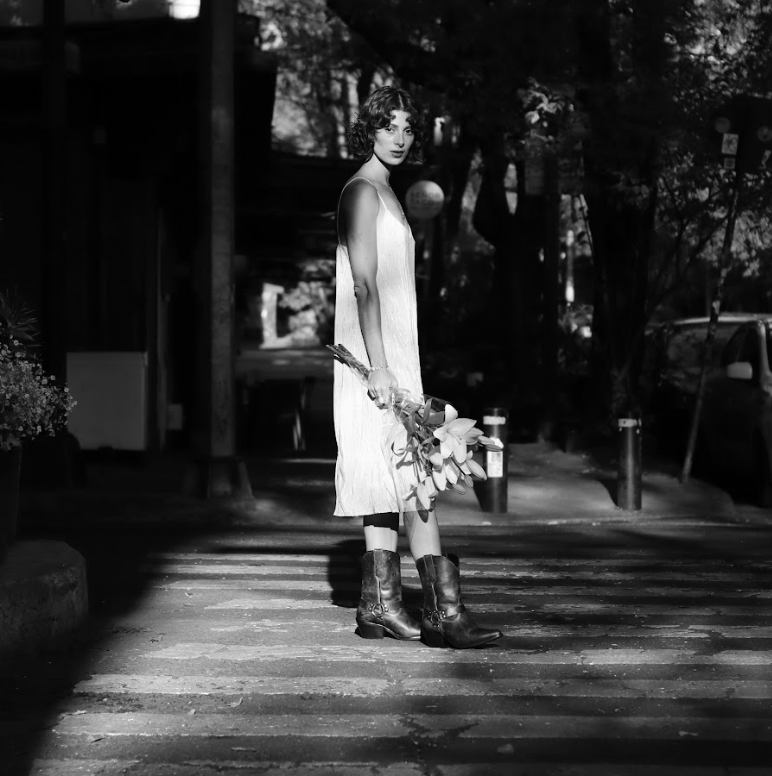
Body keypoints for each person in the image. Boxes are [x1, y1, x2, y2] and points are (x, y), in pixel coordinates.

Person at [333, 85, 501, 649]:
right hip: (375, 359)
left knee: (392, 477)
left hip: (393, 355)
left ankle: (380, 605)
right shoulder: (362, 191)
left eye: (408, 127)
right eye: (389, 126)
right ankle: (443, 614)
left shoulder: (386, 191)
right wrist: (380, 367)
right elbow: (363, 284)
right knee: (417, 477)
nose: (400, 137)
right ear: (369, 129)